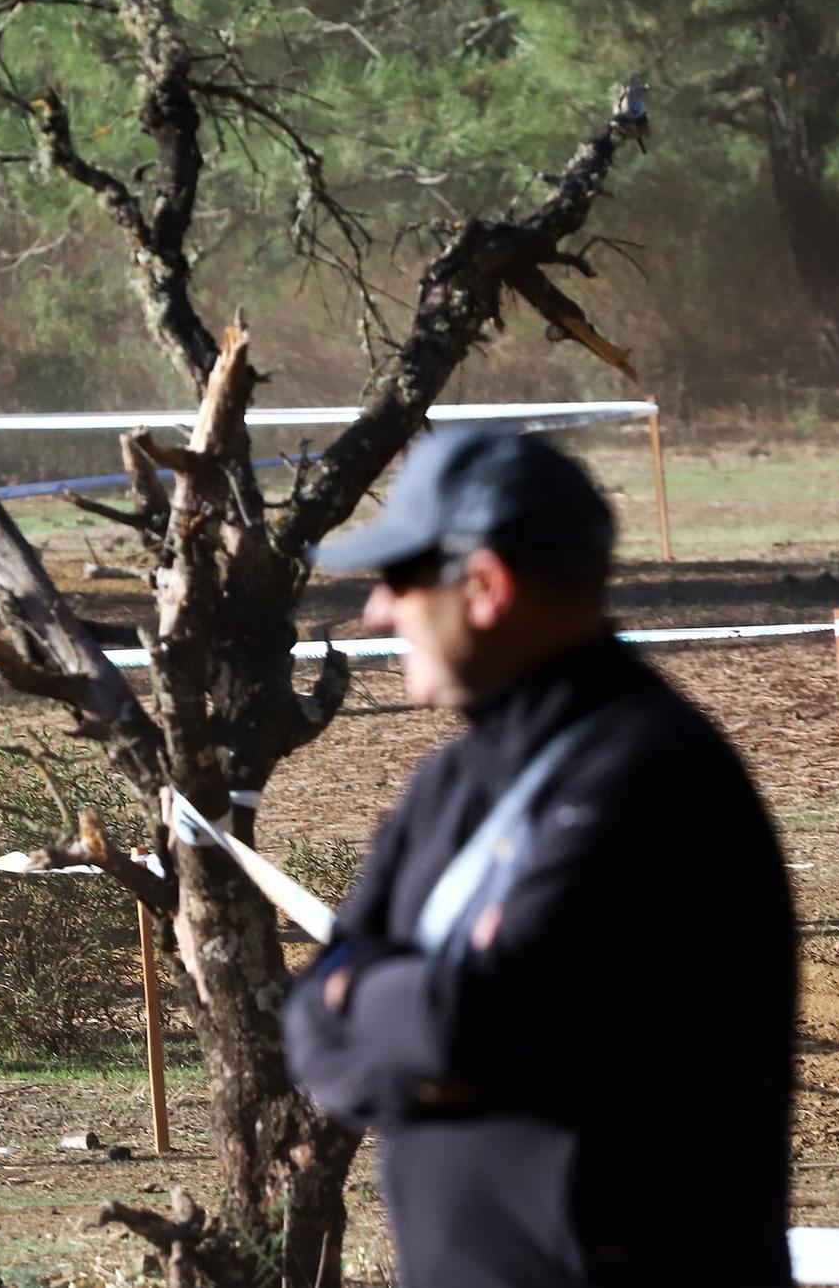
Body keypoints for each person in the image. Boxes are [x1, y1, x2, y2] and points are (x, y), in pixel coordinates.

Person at [283, 429, 796, 1288]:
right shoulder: (454, 778)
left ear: (484, 586)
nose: (378, 609)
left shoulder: (653, 778)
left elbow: (467, 1024)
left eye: (402, 577)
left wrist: (378, 1011)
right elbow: (311, 1014)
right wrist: (394, 1022)